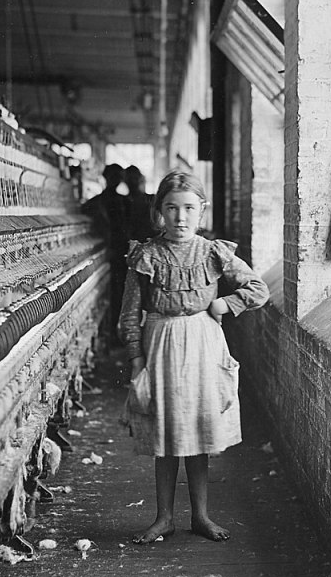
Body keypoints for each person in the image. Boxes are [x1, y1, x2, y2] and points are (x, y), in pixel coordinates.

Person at [118, 170, 269, 544]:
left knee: (199, 430)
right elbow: (128, 314)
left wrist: (225, 303)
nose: (180, 217)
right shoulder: (146, 255)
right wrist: (137, 361)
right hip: (161, 343)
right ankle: (163, 518)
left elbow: (258, 289)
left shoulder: (214, 252)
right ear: (159, 212)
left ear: (201, 211)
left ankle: (201, 516)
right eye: (171, 208)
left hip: (204, 341)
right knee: (167, 431)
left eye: (188, 208)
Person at [82, 163, 131, 341]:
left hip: (118, 253)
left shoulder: (122, 202)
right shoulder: (99, 202)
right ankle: (111, 333)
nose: (115, 180)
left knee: (118, 294)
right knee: (112, 294)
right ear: (106, 178)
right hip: (107, 252)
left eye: (118, 177)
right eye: (113, 176)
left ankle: (114, 333)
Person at [124, 165, 156, 242]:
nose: (133, 183)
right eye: (131, 180)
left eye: (135, 179)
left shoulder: (152, 199)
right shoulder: (124, 202)